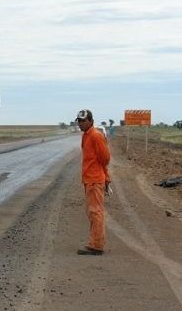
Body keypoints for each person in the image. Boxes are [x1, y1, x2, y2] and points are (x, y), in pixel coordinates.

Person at [75, 109, 111, 255]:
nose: (81, 123)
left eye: (83, 120)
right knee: (92, 212)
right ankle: (94, 243)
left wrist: (105, 177)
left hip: (95, 180)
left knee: (96, 212)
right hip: (89, 180)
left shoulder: (96, 136)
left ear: (90, 121)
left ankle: (96, 246)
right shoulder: (86, 136)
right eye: (79, 120)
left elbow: (105, 159)